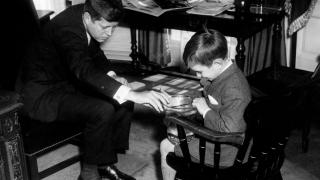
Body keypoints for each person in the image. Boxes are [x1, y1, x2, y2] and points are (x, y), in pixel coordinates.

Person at [15, 0, 170, 180]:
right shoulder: (67, 29)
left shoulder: (86, 12)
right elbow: (84, 70)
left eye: (113, 28)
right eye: (105, 28)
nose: (109, 34)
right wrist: (134, 94)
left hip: (66, 81)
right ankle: (88, 174)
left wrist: (112, 76)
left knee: (121, 97)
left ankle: (104, 163)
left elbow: (94, 53)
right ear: (88, 18)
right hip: (42, 94)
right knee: (103, 108)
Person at [160, 29, 251, 180]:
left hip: (228, 152)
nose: (198, 77)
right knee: (172, 127)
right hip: (222, 140)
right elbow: (206, 95)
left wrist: (206, 111)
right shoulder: (221, 74)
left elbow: (230, 130)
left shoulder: (234, 88)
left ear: (217, 63)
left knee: (165, 145)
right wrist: (177, 100)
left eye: (200, 72)